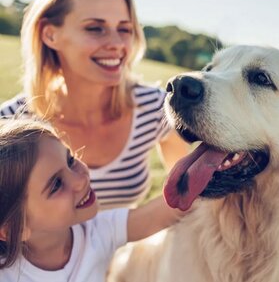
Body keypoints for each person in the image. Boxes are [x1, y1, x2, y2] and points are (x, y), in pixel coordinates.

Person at [0, 0, 188, 209]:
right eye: (95, 28)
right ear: (50, 34)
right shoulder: (10, 124)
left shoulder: (155, 108)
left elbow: (187, 197)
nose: (117, 44)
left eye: (124, 29)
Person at [0, 119, 185, 281]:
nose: (81, 180)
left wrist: (203, 171)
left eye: (70, 160)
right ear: (14, 229)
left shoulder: (96, 232)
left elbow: (159, 214)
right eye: (56, 185)